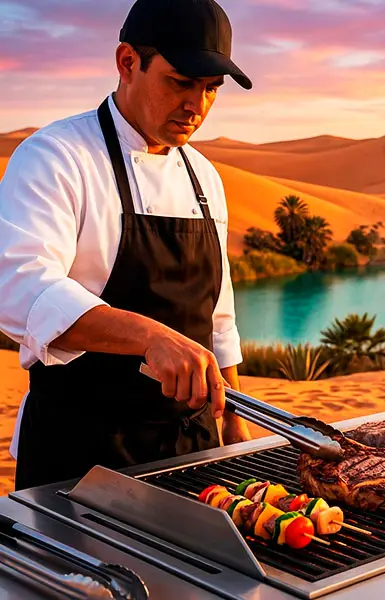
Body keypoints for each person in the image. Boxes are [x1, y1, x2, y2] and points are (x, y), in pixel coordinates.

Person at [0, 0, 254, 490]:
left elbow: (218, 318)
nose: (196, 106)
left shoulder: (204, 176)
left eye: (210, 90)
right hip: (82, 455)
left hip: (193, 452)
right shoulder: (56, 157)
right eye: (180, 83)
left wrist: (232, 418)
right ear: (127, 62)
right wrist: (151, 337)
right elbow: (19, 289)